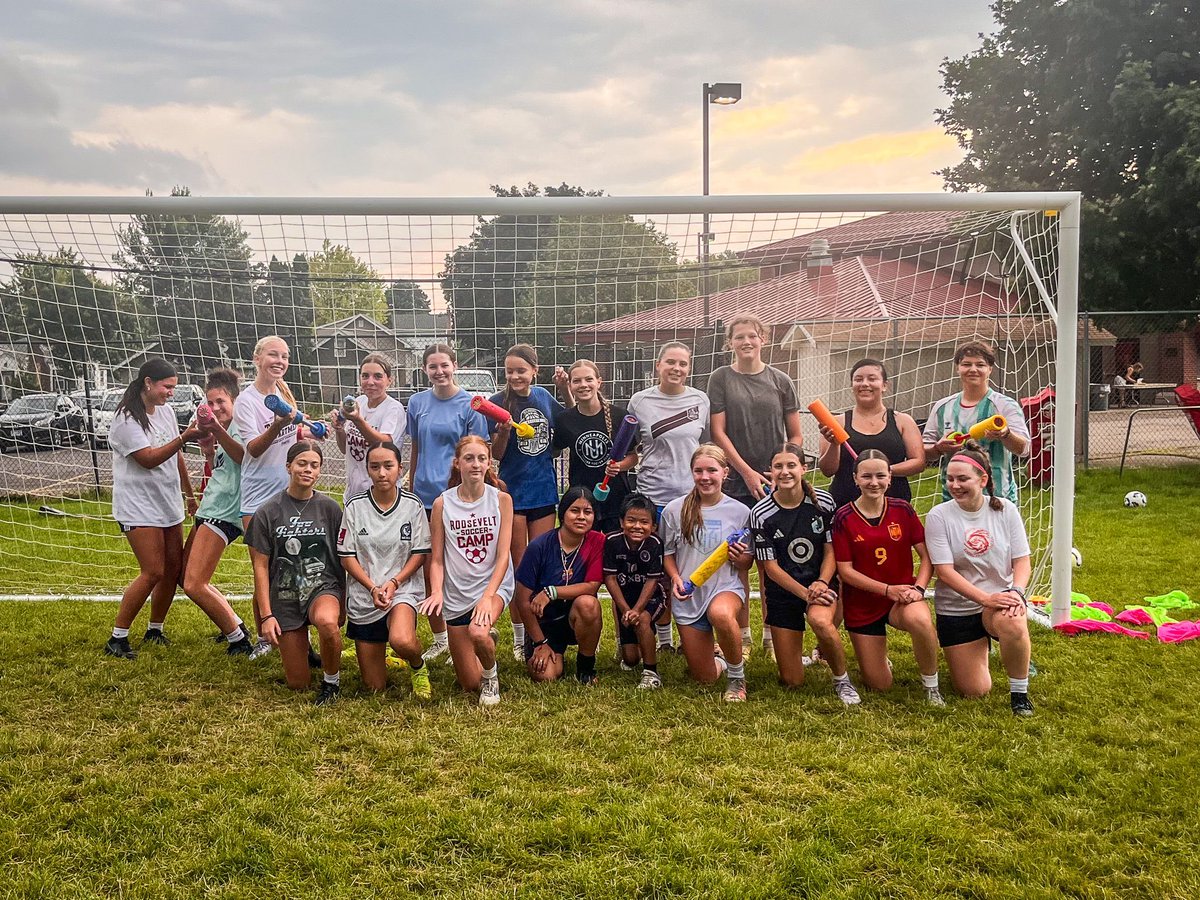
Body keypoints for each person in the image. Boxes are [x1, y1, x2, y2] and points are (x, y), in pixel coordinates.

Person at [707, 313, 804, 660]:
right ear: (730, 342)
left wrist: (782, 469)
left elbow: (795, 434)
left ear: (763, 338)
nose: (746, 342)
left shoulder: (780, 380)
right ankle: (743, 636)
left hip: (773, 484)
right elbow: (718, 432)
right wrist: (746, 472)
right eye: (739, 337)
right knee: (737, 559)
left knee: (770, 561)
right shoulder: (720, 379)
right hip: (735, 482)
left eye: (752, 336)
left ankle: (771, 633)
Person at [925, 441, 1035, 716]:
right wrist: (986, 598)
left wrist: (1016, 593)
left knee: (1012, 619)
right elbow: (944, 571)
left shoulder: (1005, 509)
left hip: (999, 604)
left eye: (963, 479)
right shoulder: (939, 515)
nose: (955, 485)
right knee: (974, 690)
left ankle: (1019, 694)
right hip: (957, 609)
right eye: (950, 479)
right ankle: (984, 647)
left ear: (983, 479)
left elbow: (1021, 560)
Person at [104, 359, 201, 659]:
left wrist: (189, 494)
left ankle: (155, 629)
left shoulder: (167, 412)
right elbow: (147, 458)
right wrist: (185, 437)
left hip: (167, 502)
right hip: (138, 506)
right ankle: (117, 638)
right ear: (148, 383)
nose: (171, 393)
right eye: (166, 387)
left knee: (172, 569)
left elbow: (176, 456)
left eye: (173, 387)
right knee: (153, 571)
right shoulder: (125, 419)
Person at [750, 443, 861, 704]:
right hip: (784, 592)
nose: (785, 471)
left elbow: (831, 549)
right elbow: (771, 568)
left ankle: (842, 680)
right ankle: (798, 656)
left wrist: (822, 582)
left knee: (821, 622)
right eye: (778, 466)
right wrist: (805, 594)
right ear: (770, 471)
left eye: (791, 465)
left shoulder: (823, 501)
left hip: (820, 583)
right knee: (792, 680)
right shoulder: (760, 513)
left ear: (804, 468)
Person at [831, 450, 944, 705]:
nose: (874, 482)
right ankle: (879, 659)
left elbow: (927, 557)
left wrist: (918, 588)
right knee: (880, 685)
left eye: (880, 475)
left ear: (890, 478)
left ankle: (931, 685)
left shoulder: (902, 509)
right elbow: (845, 571)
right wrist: (886, 589)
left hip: (901, 598)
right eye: (867, 476)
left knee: (920, 620)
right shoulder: (843, 517)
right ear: (855, 479)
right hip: (862, 605)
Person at [245, 441, 346, 705]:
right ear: (288, 466)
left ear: (320, 471)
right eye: (302, 464)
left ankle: (331, 683)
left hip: (322, 587)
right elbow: (260, 567)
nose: (308, 470)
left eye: (314, 465)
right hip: (286, 594)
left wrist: (344, 601)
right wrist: (266, 616)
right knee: (298, 683)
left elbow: (342, 558)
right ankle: (306, 649)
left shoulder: (331, 509)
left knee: (326, 621)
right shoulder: (268, 512)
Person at [406, 344, 489, 663]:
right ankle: (440, 637)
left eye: (444, 365)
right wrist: (412, 484)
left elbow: (476, 452)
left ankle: (465, 631)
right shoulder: (416, 402)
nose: (439, 371)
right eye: (432, 366)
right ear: (425, 370)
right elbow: (416, 447)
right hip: (426, 497)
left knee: (460, 567)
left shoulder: (471, 403)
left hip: (458, 497)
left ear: (455, 366)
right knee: (430, 567)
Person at [419, 435, 514, 707]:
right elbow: (436, 560)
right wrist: (437, 591)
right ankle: (484, 641)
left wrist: (487, 596)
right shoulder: (442, 504)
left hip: (492, 586)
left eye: (481, 458)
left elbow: (503, 555)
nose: (475, 464)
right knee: (468, 684)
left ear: (488, 464)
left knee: (478, 633)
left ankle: (491, 676)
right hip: (456, 593)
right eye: (469, 458)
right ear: (457, 463)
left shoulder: (501, 500)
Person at [488, 344, 567, 662]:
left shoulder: (546, 399)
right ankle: (522, 640)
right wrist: (504, 433)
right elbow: (495, 455)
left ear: (535, 370)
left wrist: (565, 391)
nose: (515, 376)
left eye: (521, 370)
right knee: (521, 571)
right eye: (509, 371)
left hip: (544, 493)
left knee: (543, 567)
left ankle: (544, 636)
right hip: (514, 496)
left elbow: (565, 429)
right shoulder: (496, 404)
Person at [337, 441, 432, 698]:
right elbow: (346, 556)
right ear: (367, 470)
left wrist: (394, 582)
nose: (382, 473)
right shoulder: (355, 506)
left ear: (400, 469)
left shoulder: (413, 506)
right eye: (375, 466)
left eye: (388, 466)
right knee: (374, 687)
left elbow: (420, 553)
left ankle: (417, 665)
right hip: (365, 595)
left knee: (402, 640)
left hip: (401, 590)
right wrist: (372, 587)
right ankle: (382, 655)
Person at [661, 444, 754, 702]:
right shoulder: (674, 510)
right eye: (698, 471)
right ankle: (722, 661)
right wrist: (676, 578)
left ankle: (737, 678)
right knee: (705, 678)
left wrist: (741, 557)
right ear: (691, 473)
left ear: (725, 472)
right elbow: (667, 554)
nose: (705, 477)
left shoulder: (740, 512)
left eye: (711, 470)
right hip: (688, 597)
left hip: (725, 588)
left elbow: (747, 563)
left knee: (721, 614)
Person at [234, 335, 301, 660]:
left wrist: (308, 431)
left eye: (285, 356)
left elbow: (293, 436)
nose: (280, 360)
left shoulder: (283, 393)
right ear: (257, 358)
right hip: (257, 498)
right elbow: (254, 449)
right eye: (273, 354)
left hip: (288, 494)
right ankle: (263, 636)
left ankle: (295, 634)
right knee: (263, 568)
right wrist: (276, 425)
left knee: (290, 567)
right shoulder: (246, 401)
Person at [180, 368, 253, 656]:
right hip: (211, 506)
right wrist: (209, 451)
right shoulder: (219, 430)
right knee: (184, 574)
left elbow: (244, 458)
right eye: (210, 403)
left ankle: (238, 639)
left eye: (221, 401)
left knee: (195, 584)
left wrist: (217, 431)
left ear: (234, 401)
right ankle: (235, 624)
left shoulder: (241, 426)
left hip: (225, 512)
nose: (215, 408)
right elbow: (222, 469)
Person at [513, 487, 606, 684]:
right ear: (562, 514)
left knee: (588, 604)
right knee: (545, 675)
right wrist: (540, 642)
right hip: (544, 622)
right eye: (575, 510)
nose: (581, 517)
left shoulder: (597, 541)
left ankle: (585, 667)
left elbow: (592, 586)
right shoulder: (539, 546)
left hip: (573, 614)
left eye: (587, 512)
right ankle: (548, 648)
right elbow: (522, 600)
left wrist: (551, 592)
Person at [923, 340, 1030, 503]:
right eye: (966, 364)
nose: (973, 369)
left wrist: (1005, 434)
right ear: (957, 368)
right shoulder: (942, 407)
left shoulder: (1005, 405)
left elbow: (1024, 449)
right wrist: (938, 448)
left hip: (997, 499)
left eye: (980, 365)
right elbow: (924, 451)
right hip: (954, 498)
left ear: (990, 369)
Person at [817, 358, 925, 510]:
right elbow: (827, 471)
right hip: (847, 507)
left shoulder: (902, 421)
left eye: (872, 379)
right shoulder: (837, 423)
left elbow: (918, 462)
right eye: (858, 379)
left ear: (884, 385)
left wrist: (880, 472)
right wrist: (834, 444)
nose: (865, 384)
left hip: (894, 507)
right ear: (852, 385)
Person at [553, 359, 634, 535]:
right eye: (577, 381)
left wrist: (619, 466)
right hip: (583, 501)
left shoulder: (620, 416)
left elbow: (633, 457)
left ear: (599, 382)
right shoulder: (564, 419)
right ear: (570, 384)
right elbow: (555, 450)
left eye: (589, 379)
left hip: (616, 498)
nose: (583, 385)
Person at [603, 493, 670, 689]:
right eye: (631, 520)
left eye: (644, 522)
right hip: (625, 600)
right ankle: (643, 642)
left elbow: (652, 580)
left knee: (642, 620)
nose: (637, 526)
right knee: (631, 659)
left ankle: (651, 673)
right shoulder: (612, 542)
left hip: (652, 597)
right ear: (621, 522)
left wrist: (637, 609)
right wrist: (625, 609)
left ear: (653, 527)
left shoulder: (655, 544)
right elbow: (610, 578)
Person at [332, 353, 406, 502]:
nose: (370, 382)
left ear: (389, 381)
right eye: (365, 376)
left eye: (378, 376)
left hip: (380, 494)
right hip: (353, 493)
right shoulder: (359, 402)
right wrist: (339, 429)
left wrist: (358, 420)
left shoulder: (393, 409)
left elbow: (384, 445)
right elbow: (345, 448)